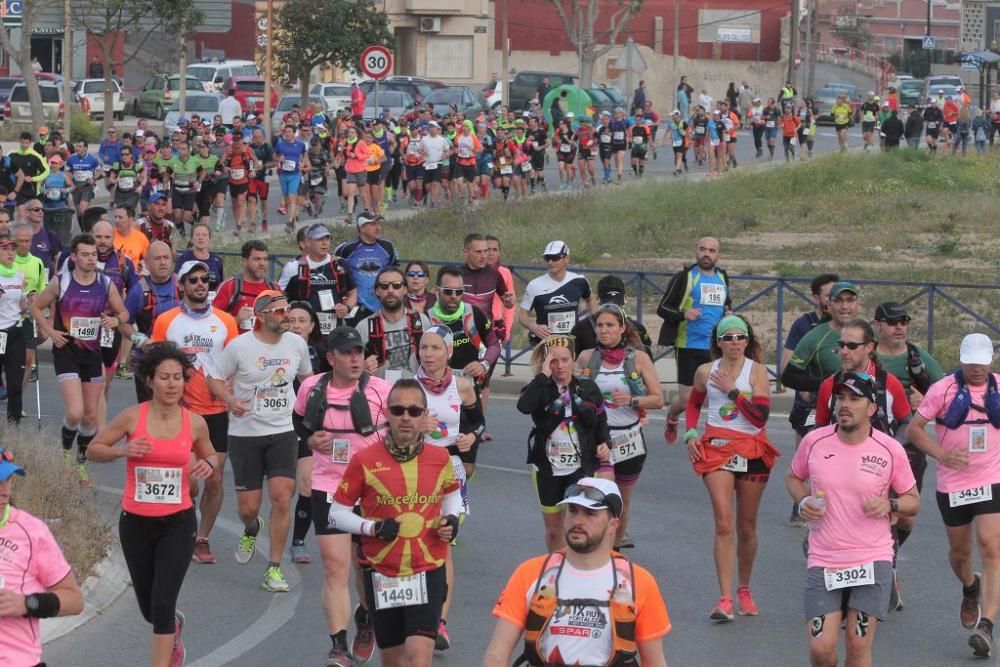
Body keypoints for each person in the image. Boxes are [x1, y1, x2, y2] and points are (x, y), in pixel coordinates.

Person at [87, 342, 216, 667]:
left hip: (178, 521)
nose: (172, 384)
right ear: (150, 381)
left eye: (178, 377)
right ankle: (173, 628)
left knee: (161, 604)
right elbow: (93, 450)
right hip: (136, 523)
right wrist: (122, 451)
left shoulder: (195, 422)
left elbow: (210, 454)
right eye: (164, 377)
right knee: (149, 608)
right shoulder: (132, 418)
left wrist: (209, 466)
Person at [788, 372, 919, 667]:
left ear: (872, 408)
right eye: (841, 398)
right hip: (825, 557)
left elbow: (913, 501)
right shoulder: (814, 442)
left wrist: (890, 504)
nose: (844, 405)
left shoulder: (890, 449)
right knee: (821, 650)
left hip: (871, 558)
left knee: (858, 645)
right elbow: (794, 479)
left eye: (855, 398)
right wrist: (804, 500)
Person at [329, 378, 462, 666]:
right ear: (387, 413)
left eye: (414, 411)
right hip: (382, 572)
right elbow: (337, 512)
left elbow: (453, 495)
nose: (406, 417)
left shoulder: (440, 458)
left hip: (427, 570)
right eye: (398, 409)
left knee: (418, 656)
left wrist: (451, 519)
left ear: (424, 416)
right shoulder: (364, 460)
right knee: (393, 660)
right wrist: (373, 527)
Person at [483, 477, 671, 666]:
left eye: (590, 513)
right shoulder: (531, 573)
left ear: (613, 525)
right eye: (572, 511)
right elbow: (497, 654)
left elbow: (655, 662)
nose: (577, 521)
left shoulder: (639, 582)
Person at [293, 326, 394, 666]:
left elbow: (402, 431)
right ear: (331, 357)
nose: (355, 359)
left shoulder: (381, 390)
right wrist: (308, 444)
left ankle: (365, 617)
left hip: (371, 491)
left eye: (359, 352)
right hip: (329, 487)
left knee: (365, 568)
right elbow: (298, 422)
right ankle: (339, 646)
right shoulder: (312, 387)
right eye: (348, 353)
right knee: (335, 567)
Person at [207, 291, 313, 593]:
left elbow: (307, 380)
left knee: (282, 497)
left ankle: (274, 569)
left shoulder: (297, 344)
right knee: (247, 508)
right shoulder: (240, 347)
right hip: (245, 434)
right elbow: (213, 377)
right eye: (279, 311)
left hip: (283, 431)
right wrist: (229, 400)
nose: (286, 316)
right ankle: (252, 528)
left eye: (288, 309)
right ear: (262, 316)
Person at [907, 333, 1000, 657]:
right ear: (962, 359)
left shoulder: (999, 386)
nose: (977, 368)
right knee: (960, 555)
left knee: (991, 545)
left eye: (982, 361)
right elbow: (914, 430)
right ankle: (970, 586)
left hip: (992, 478)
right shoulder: (943, 389)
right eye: (971, 361)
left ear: (990, 360)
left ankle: (986, 626)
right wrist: (941, 455)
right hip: (954, 485)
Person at [683, 315, 779, 621]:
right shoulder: (704, 371)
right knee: (724, 524)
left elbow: (759, 418)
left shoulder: (758, 372)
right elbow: (693, 404)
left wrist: (733, 391)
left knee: (746, 527)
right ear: (719, 343)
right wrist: (689, 432)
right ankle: (724, 599)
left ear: (747, 341)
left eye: (740, 337)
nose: (735, 342)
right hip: (717, 449)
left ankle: (744, 589)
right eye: (728, 337)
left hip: (752, 449)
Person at [151, 260, 239, 566]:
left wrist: (233, 395)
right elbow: (154, 365)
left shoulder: (226, 321)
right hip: (181, 411)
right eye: (194, 280)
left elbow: (234, 364)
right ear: (182, 286)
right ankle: (182, 532)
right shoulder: (166, 321)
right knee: (189, 480)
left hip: (215, 411)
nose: (201, 284)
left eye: (205, 279)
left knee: (214, 479)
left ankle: (201, 538)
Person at [28, 233, 133, 486]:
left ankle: (80, 463)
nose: (90, 259)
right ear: (73, 257)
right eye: (84, 254)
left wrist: (116, 320)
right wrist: (51, 332)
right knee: (74, 413)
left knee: (89, 417)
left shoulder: (105, 283)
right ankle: (65, 455)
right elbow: (34, 307)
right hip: (66, 352)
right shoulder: (61, 282)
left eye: (93, 255)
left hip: (91, 354)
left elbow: (124, 312)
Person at [413, 328, 484, 649]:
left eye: (435, 348)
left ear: (448, 353)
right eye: (424, 347)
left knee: (441, 545)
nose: (428, 354)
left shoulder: (463, 386)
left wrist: (472, 438)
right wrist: (415, 426)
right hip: (412, 468)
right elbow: (384, 427)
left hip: (448, 470)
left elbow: (478, 423)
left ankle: (439, 622)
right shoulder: (407, 388)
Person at [577, 304, 663, 550]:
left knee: (621, 502)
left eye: (610, 325)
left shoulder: (639, 359)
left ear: (622, 328)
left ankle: (613, 551)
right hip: (599, 440)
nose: (604, 330)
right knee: (602, 494)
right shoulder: (586, 357)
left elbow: (658, 399)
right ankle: (594, 548)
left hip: (630, 439)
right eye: (600, 325)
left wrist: (632, 400)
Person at [518, 335, 611, 551]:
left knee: (581, 524)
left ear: (573, 359)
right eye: (553, 361)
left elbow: (600, 420)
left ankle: (581, 566)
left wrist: (604, 442)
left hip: (580, 466)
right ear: (546, 363)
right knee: (554, 530)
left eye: (565, 360)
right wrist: (542, 375)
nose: (560, 366)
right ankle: (556, 569)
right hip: (548, 468)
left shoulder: (587, 387)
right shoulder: (540, 387)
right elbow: (524, 406)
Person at [0, 446, 84, 666]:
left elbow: (75, 600)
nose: (5, 491)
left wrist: (28, 604)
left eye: (8, 480)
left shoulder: (31, 531)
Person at [658, 237, 731, 443]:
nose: (706, 253)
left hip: (715, 346)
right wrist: (683, 314)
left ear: (719, 255)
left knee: (717, 393)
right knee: (686, 399)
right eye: (703, 249)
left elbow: (727, 302)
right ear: (696, 252)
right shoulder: (685, 277)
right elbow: (662, 308)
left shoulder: (723, 277)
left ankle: (711, 435)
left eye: (711, 250)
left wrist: (728, 313)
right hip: (688, 345)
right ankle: (672, 417)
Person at [287, 300, 331, 564]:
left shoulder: (322, 353)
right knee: (280, 493)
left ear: (312, 325)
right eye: (291, 320)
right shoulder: (274, 351)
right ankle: (251, 524)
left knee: (306, 483)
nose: (296, 326)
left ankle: (298, 542)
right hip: (274, 423)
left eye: (302, 321)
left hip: (306, 424)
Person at [280, 222, 358, 337]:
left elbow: (353, 293)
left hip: (332, 329)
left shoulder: (339, 264)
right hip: (302, 331)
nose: (324, 243)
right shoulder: (294, 266)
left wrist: (346, 308)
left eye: (327, 238)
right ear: (307, 242)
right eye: (319, 239)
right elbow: (279, 297)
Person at [359, 266, 430, 380]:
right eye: (384, 286)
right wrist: (361, 368)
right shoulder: (364, 327)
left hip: (415, 392)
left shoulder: (421, 321)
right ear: (377, 291)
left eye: (396, 285)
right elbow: (351, 367)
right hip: (379, 394)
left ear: (405, 289)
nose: (390, 290)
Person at [519, 240, 595, 346]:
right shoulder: (534, 285)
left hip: (573, 341)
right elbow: (522, 315)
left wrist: (594, 321)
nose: (550, 262)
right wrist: (534, 327)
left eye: (555, 258)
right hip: (546, 342)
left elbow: (590, 299)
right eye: (547, 258)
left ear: (566, 259)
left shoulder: (580, 281)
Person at [335, 209, 398, 316]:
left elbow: (395, 275)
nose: (378, 228)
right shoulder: (346, 249)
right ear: (362, 228)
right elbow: (334, 272)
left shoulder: (388, 247)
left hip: (383, 305)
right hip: (356, 306)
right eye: (373, 224)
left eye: (378, 223)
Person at [213, 239, 280, 334]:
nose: (262, 264)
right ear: (245, 261)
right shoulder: (230, 286)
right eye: (257, 259)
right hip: (237, 346)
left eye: (265, 259)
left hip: (267, 347)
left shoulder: (275, 288)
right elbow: (212, 323)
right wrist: (236, 319)